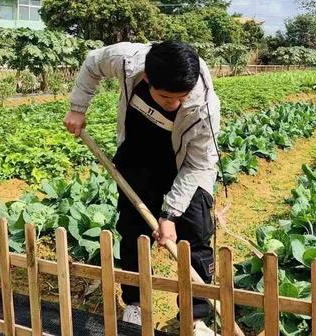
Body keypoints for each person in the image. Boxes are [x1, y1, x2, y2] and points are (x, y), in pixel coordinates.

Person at [64, 41, 220, 336]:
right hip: (139, 152)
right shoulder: (126, 60)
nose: (174, 104)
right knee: (133, 228)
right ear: (147, 78)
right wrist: (77, 108)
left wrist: (170, 214)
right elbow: (92, 63)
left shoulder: (205, 107)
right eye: (165, 97)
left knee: (195, 235)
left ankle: (196, 315)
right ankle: (135, 302)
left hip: (186, 163)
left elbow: (198, 165)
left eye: (180, 99)